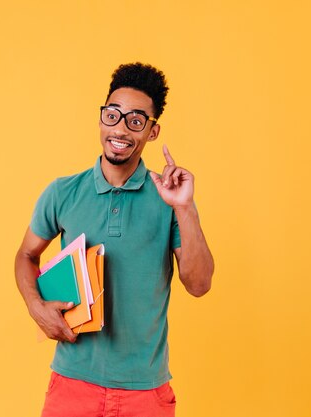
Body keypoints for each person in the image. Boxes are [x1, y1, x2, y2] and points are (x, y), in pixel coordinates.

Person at [15, 62, 214, 417]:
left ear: (152, 132)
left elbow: (199, 284)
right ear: (101, 117)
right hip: (72, 386)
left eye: (136, 120)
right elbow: (26, 256)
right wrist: (36, 307)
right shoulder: (62, 192)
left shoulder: (169, 198)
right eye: (113, 115)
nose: (120, 129)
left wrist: (185, 208)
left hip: (146, 392)